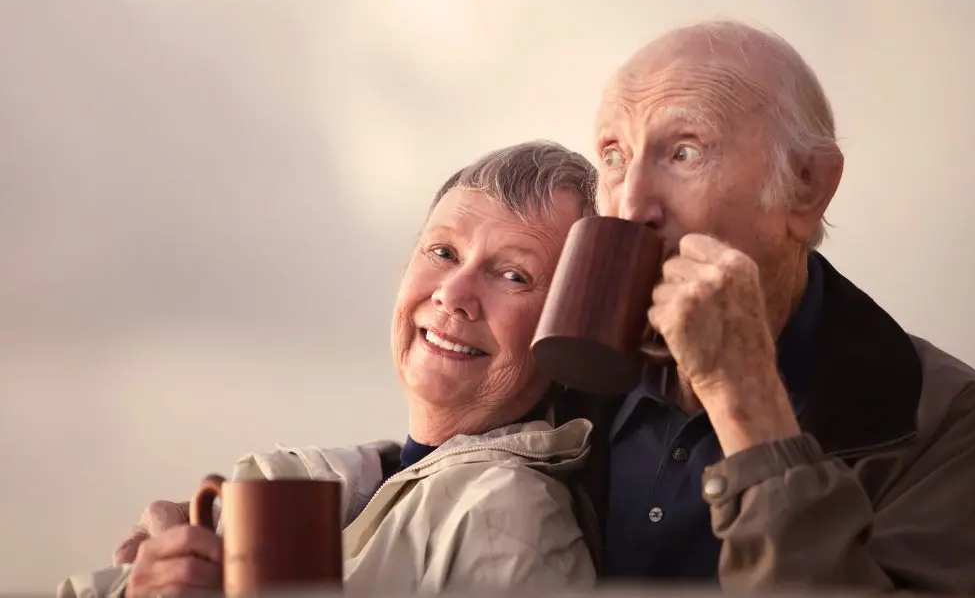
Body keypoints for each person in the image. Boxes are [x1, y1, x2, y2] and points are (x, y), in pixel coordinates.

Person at [555, 19, 975, 596]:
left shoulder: (955, 424)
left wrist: (746, 398)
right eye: (613, 156)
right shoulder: (558, 378)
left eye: (685, 151)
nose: (631, 204)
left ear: (806, 185)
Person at [56, 141, 600, 597]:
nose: (453, 295)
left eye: (512, 275)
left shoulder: (508, 517)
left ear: (566, 335)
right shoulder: (319, 484)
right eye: (443, 253)